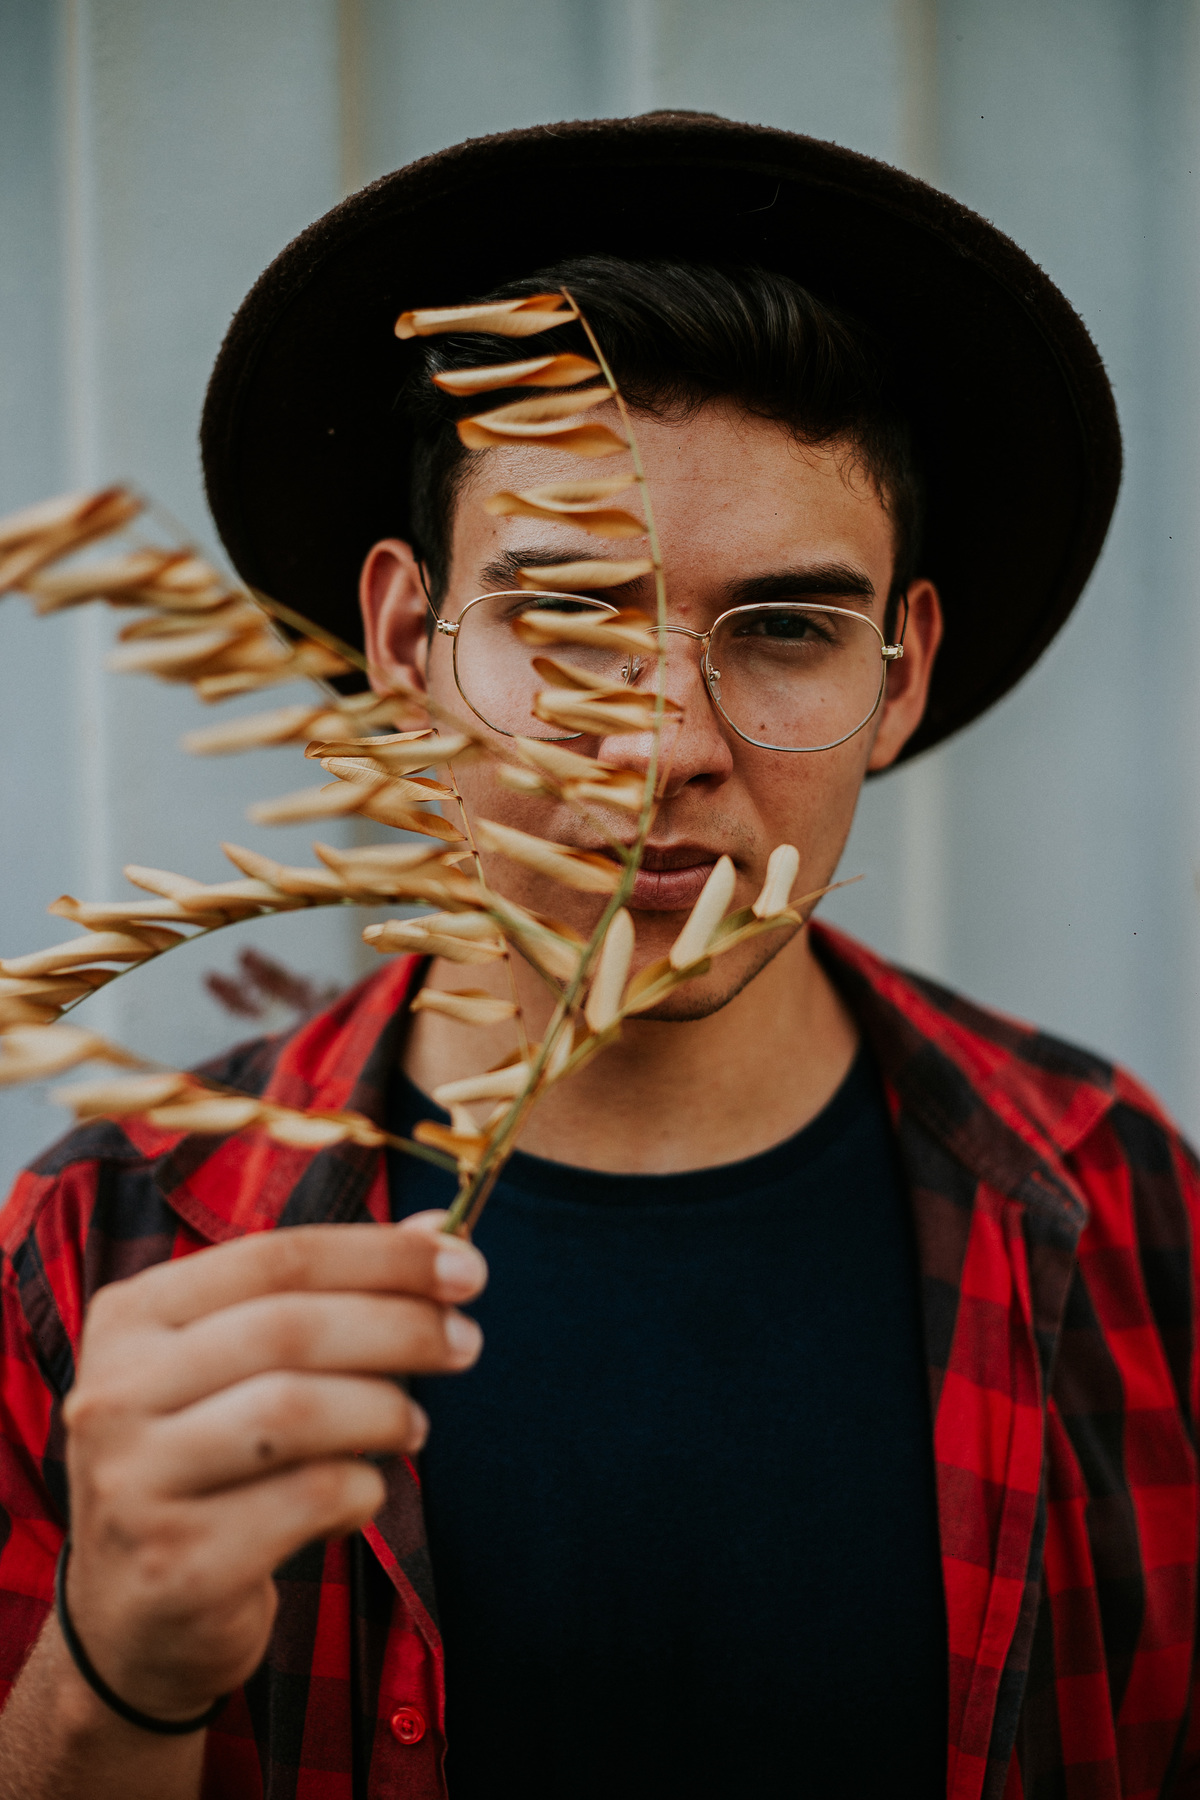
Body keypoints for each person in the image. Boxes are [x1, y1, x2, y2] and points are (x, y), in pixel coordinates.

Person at [0, 113, 1193, 1800]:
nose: (662, 754)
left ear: (903, 670)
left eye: (781, 629)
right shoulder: (105, 1254)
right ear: (412, 643)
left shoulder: (1128, 1217)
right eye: (569, 621)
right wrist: (114, 1680)